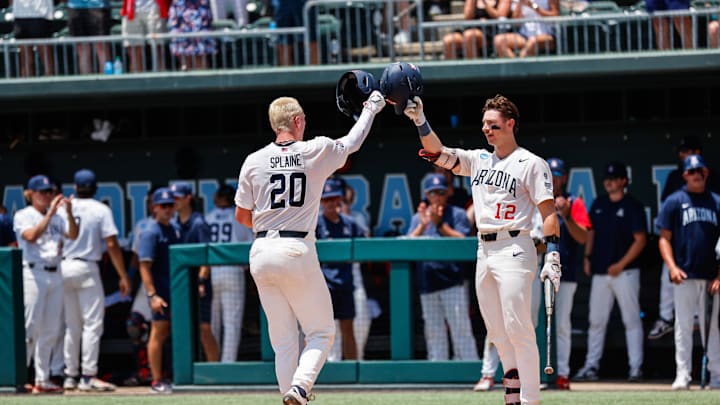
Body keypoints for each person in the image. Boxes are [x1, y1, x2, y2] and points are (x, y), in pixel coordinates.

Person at [403, 93, 560, 405]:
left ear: (510, 124)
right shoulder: (478, 159)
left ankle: (530, 399)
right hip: (484, 249)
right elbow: (438, 152)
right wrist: (420, 120)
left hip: (515, 245)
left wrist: (553, 252)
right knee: (497, 331)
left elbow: (549, 213)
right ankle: (513, 397)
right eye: (485, 125)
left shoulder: (531, 163)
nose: (487, 130)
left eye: (493, 124)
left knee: (518, 326)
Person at [233, 91, 385, 404]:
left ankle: (290, 396)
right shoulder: (313, 149)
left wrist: (269, 227)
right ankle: (301, 387)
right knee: (321, 332)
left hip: (260, 249)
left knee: (284, 341)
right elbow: (353, 140)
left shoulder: (253, 160)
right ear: (298, 121)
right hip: (295, 246)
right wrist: (372, 107)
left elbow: (241, 216)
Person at [59, 169, 131, 392]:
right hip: (87, 267)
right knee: (92, 324)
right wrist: (122, 275)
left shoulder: (63, 209)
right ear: (95, 188)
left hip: (63, 266)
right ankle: (88, 376)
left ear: (75, 188)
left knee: (71, 326)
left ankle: (70, 375)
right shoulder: (100, 209)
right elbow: (111, 244)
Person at [574, 162, 646, 382]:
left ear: (624, 181)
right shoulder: (598, 204)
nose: (609, 181)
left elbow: (640, 240)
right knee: (596, 321)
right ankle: (591, 366)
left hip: (625, 272)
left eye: (614, 178)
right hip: (601, 271)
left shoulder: (633, 206)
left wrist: (621, 264)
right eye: (607, 178)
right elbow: (590, 232)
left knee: (631, 321)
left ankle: (635, 368)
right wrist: (587, 257)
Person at [657, 154, 720, 390]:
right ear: (685, 175)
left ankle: (716, 376)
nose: (697, 175)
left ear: (706, 173)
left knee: (713, 328)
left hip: (712, 277)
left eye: (700, 171)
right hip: (684, 274)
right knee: (683, 326)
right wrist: (672, 267)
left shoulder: (716, 201)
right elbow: (664, 239)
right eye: (692, 171)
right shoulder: (675, 201)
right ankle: (682, 376)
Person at [649, 136, 720, 340]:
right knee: (668, 272)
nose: (684, 155)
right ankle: (664, 317)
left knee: (710, 322)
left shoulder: (712, 180)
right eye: (682, 151)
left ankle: (699, 318)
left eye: (688, 150)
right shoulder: (675, 180)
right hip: (680, 237)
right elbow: (668, 213)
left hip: (706, 239)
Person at [14, 175, 78, 394]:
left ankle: (43, 378)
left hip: (55, 272)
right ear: (30, 193)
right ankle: (19, 377)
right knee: (29, 327)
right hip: (33, 272)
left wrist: (67, 212)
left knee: (51, 329)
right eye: (42, 192)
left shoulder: (59, 216)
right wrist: (50, 213)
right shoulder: (24, 215)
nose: (47, 196)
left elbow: (73, 234)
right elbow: (30, 236)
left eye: (50, 192)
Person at [407, 173, 479, 361]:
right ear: (427, 194)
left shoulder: (457, 214)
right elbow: (406, 246)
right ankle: (438, 372)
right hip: (427, 283)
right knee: (434, 332)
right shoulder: (418, 218)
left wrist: (440, 225)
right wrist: (422, 227)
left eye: (441, 192)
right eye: (433, 193)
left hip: (452, 282)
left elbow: (463, 242)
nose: (437, 196)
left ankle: (468, 369)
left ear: (447, 193)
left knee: (460, 329)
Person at [545, 157, 589, 389]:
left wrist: (567, 215)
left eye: (557, 174)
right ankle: (537, 373)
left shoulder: (574, 202)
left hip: (566, 272)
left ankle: (562, 373)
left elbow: (584, 237)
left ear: (564, 177)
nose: (554, 179)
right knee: (534, 323)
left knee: (561, 325)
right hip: (537, 272)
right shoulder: (535, 199)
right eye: (550, 174)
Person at [317, 177, 366, 361]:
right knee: (319, 332)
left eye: (334, 198)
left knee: (348, 328)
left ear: (340, 199)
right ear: (321, 202)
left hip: (345, 283)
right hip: (323, 286)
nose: (330, 203)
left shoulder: (349, 223)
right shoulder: (316, 223)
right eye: (326, 199)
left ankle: (352, 370)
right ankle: (317, 374)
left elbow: (365, 242)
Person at [138, 187, 181, 394]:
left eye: (170, 205)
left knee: (175, 333)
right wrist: (152, 295)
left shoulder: (174, 229)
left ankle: (172, 376)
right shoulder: (150, 231)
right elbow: (144, 266)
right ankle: (156, 380)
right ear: (154, 207)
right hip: (160, 292)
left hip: (176, 290)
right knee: (158, 332)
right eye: (163, 206)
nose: (167, 209)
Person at [171, 181, 220, 362]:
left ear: (188, 198)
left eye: (177, 198)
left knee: (204, 329)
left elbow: (206, 258)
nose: (174, 201)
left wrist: (200, 281)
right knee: (184, 329)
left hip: (200, 283)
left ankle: (214, 371)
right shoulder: (175, 224)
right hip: (182, 282)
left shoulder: (199, 222)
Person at [205, 184, 253, 362]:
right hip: (233, 271)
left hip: (211, 273)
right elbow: (250, 245)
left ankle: (213, 362)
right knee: (231, 324)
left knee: (213, 323)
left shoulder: (207, 218)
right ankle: (227, 363)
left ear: (217, 198)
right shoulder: (238, 217)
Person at [443, 0, 512, 60]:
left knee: (469, 36)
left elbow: (500, 16)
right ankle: (454, 73)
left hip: (491, 31)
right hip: (472, 28)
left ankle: (473, 72)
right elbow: (467, 17)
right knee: (449, 40)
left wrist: (485, 4)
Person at [493, 0, 559, 58]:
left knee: (532, 42)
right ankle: (515, 69)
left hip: (547, 35)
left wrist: (535, 7)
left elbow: (555, 15)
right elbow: (515, 21)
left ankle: (518, 69)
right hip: (524, 35)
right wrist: (520, 4)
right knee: (499, 40)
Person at [120, 0, 171, 73]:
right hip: (131, 8)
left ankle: (160, 79)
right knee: (133, 50)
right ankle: (137, 81)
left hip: (154, 7)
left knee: (157, 47)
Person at [10, 0, 56, 77]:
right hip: (23, 16)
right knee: (27, 60)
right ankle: (26, 87)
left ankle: (52, 85)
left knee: (45, 57)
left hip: (40, 16)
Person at [168, 0, 216, 70]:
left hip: (199, 11)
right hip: (180, 11)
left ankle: (203, 80)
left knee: (200, 58)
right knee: (184, 61)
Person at [67, 0, 112, 74]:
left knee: (102, 46)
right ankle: (86, 83)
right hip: (75, 6)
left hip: (98, 6)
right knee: (82, 48)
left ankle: (107, 82)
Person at [275, 0, 318, 65]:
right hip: (282, 4)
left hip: (305, 3)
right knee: (284, 43)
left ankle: (315, 73)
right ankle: (286, 74)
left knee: (311, 41)